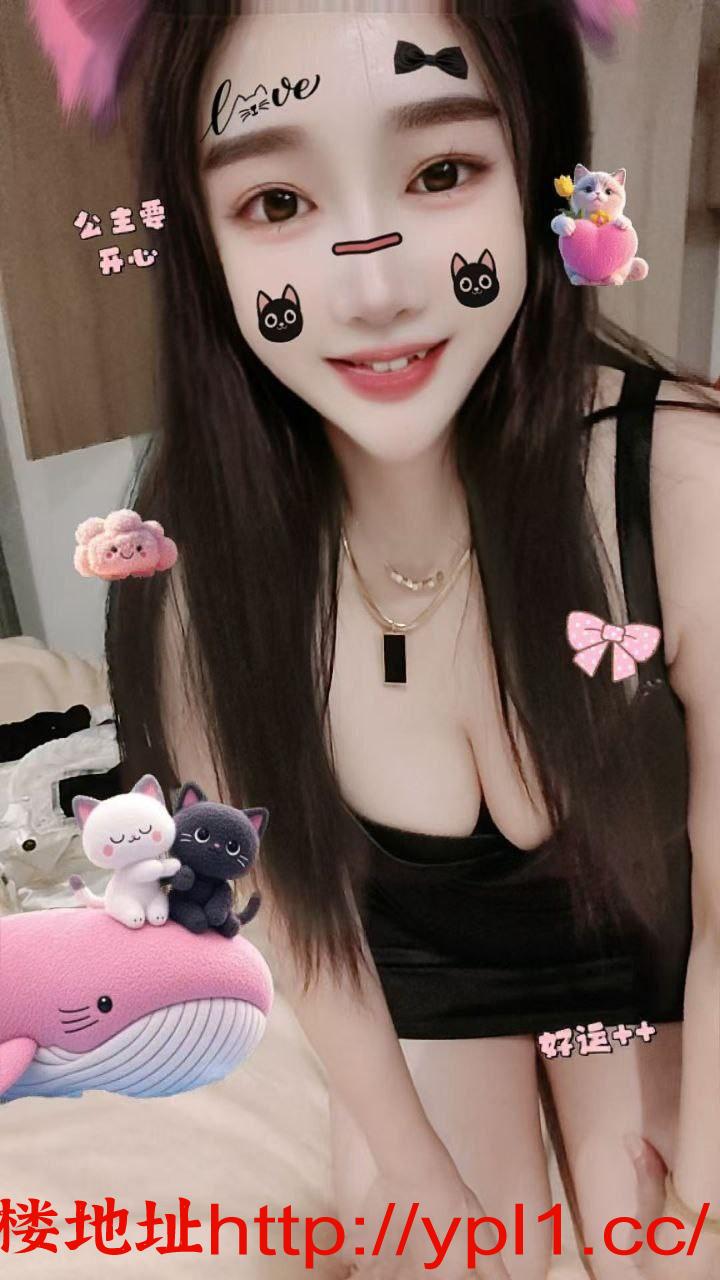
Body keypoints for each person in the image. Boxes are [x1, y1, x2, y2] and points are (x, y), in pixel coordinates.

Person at [104, 2, 720, 1276]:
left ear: (540, 170)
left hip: (649, 973)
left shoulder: (681, 485)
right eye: (278, 202)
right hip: (430, 979)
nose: (376, 290)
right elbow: (306, 917)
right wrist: (409, 1161)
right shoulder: (198, 569)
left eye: (442, 172)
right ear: (206, 243)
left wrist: (704, 1192)